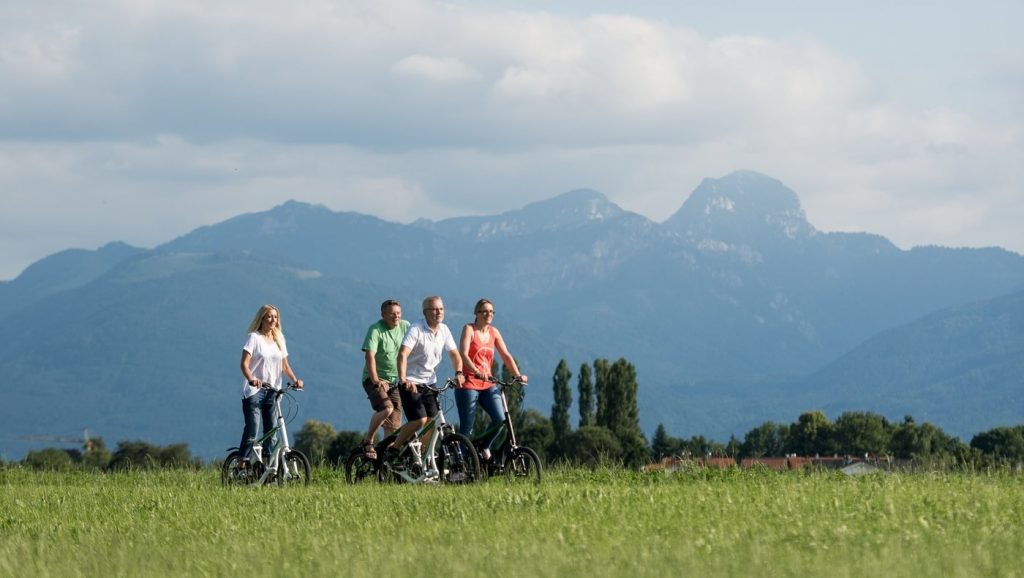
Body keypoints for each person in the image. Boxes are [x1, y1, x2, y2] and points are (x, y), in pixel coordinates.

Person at [391, 296, 465, 459]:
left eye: (441, 309)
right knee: (420, 420)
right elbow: (403, 354)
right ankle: (394, 449)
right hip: (411, 382)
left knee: (433, 421)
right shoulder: (416, 329)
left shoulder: (444, 330)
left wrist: (459, 373)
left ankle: (421, 456)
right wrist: (403, 378)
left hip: (430, 383)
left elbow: (455, 355)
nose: (438, 312)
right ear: (425, 312)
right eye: (434, 309)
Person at [238, 304, 303, 469]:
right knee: (253, 429)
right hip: (255, 391)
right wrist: (252, 379)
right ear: (262, 318)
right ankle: (242, 462)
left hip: (273, 391)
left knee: (272, 433)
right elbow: (244, 364)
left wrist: (296, 380)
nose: (273, 320)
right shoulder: (254, 337)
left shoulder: (279, 339)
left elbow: (285, 365)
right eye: (269, 316)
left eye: (275, 317)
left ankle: (268, 468)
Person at [456, 298, 527, 437]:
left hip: (488, 384)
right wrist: (476, 371)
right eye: (485, 311)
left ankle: (484, 448)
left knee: (500, 420)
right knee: (467, 429)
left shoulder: (494, 332)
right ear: (477, 313)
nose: (489, 314)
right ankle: (462, 457)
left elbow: (506, 355)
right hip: (469, 383)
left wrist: (518, 375)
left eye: (491, 311)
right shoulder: (469, 329)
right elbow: (463, 354)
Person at [358, 299, 410, 459]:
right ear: (383, 315)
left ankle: (385, 458)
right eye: (392, 313)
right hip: (374, 379)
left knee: (394, 425)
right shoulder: (376, 330)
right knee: (386, 408)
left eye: (398, 313)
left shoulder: (405, 326)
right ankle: (368, 441)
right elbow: (369, 356)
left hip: (395, 381)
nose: (396, 316)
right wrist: (376, 380)